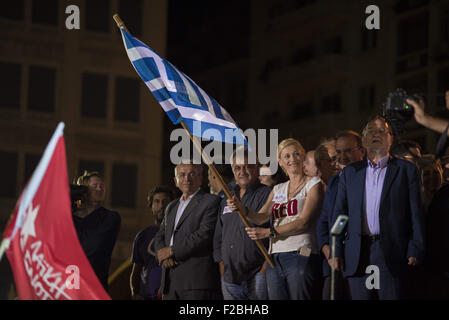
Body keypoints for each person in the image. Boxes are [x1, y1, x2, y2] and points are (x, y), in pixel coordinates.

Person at [332, 115, 425, 300]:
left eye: (382, 131)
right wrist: (336, 249)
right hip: (358, 252)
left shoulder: (405, 170)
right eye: (371, 131)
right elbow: (341, 215)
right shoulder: (350, 173)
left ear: (390, 138)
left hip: (392, 251)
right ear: (364, 140)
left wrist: (416, 247)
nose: (376, 134)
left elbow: (416, 212)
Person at [227, 138, 325, 300]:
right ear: (280, 162)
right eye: (286, 156)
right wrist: (242, 209)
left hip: (301, 253)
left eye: (296, 154)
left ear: (303, 156)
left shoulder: (314, 184)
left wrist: (269, 232)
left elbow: (304, 222)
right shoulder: (278, 188)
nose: (292, 159)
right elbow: (261, 217)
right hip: (275, 257)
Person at [154, 161, 221, 300]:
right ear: (176, 181)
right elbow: (160, 236)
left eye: (192, 174)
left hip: (195, 282)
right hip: (169, 282)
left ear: (200, 178)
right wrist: (162, 256)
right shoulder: (171, 206)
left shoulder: (211, 201)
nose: (187, 179)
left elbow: (204, 235)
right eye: (182, 175)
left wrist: (172, 251)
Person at [213, 148, 272, 300]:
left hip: (257, 274)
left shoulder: (269, 194)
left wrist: (264, 270)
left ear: (257, 169)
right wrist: (222, 266)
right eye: (237, 168)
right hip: (229, 278)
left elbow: (275, 232)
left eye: (247, 166)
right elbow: (218, 236)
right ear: (233, 172)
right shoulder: (226, 197)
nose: (242, 171)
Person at [316, 130, 365, 300]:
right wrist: (328, 248)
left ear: (362, 151)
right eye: (338, 152)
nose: (342, 157)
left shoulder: (369, 179)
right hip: (333, 261)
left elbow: (346, 218)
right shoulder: (335, 182)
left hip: (360, 259)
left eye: (348, 151)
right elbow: (325, 221)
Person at [72, 171, 121, 292]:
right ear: (84, 191)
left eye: (102, 186)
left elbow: (94, 245)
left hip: (95, 288)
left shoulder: (110, 217)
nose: (100, 189)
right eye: (95, 186)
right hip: (70, 286)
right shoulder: (70, 217)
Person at [130, 186, 174, 300]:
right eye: (157, 202)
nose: (161, 206)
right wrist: (135, 294)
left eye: (165, 202)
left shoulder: (179, 232)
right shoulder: (142, 236)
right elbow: (136, 270)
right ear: (151, 206)